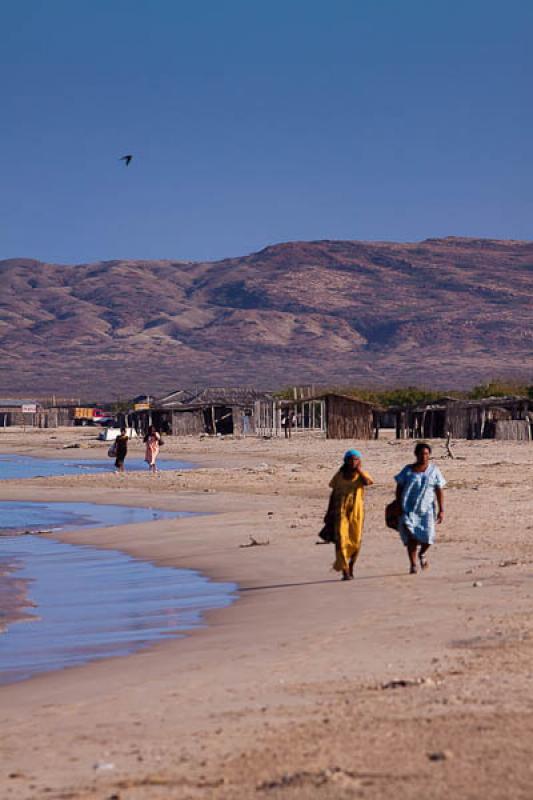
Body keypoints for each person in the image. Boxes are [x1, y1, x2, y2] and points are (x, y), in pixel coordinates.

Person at [395, 442, 446, 574]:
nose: (424, 456)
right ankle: (413, 565)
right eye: (421, 454)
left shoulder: (434, 471)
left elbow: (439, 490)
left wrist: (442, 510)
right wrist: (398, 505)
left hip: (427, 510)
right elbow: (399, 487)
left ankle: (422, 553)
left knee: (429, 537)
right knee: (412, 537)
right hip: (408, 509)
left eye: (426, 454)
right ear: (416, 454)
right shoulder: (408, 470)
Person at [327, 449, 374, 581]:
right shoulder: (339, 475)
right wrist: (328, 512)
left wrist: (359, 470)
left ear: (359, 461)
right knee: (341, 540)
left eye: (356, 459)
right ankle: (345, 570)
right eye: (350, 459)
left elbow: (368, 482)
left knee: (356, 542)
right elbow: (333, 493)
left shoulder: (361, 475)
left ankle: (351, 564)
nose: (353, 462)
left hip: (356, 513)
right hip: (340, 511)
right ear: (345, 461)